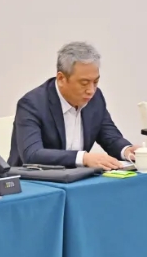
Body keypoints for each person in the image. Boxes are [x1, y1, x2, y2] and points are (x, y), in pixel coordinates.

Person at [9, 41, 136, 171]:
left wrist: (127, 150)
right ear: (61, 79)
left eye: (95, 82)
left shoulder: (95, 98)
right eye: (84, 83)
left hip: (77, 178)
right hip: (33, 180)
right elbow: (32, 154)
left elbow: (110, 138)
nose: (91, 90)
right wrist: (83, 158)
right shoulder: (32, 104)